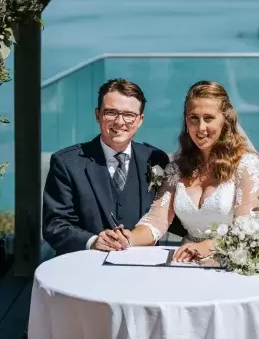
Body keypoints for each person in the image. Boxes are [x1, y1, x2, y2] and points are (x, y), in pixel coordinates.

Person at [111, 80, 259, 262]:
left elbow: (245, 228)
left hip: (232, 260)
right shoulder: (177, 167)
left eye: (209, 118)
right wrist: (128, 238)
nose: (201, 128)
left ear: (225, 120)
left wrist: (204, 247)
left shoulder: (246, 165)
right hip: (186, 260)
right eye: (194, 118)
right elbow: (156, 221)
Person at [42, 78, 185, 255]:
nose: (119, 122)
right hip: (85, 268)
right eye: (111, 112)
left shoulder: (156, 159)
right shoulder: (67, 162)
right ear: (97, 115)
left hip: (142, 267)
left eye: (129, 115)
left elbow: (170, 215)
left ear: (140, 120)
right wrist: (93, 241)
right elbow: (54, 224)